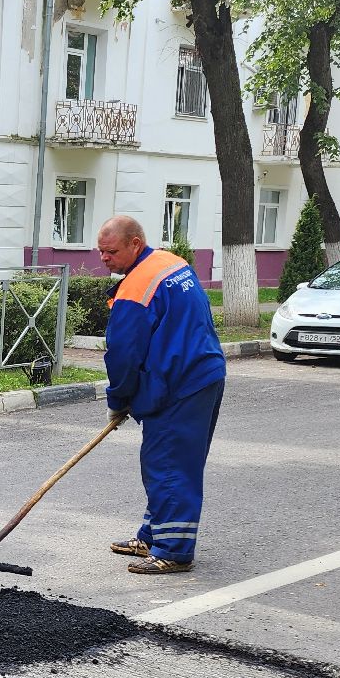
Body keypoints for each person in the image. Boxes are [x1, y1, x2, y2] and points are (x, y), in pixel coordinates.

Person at [94, 215, 226, 574]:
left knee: (169, 464)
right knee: (170, 462)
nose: (104, 258)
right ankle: (153, 536)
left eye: (111, 251)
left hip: (179, 384)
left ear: (135, 243)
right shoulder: (171, 263)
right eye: (101, 251)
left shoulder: (135, 289)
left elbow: (123, 355)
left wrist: (118, 400)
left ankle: (174, 550)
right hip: (202, 372)